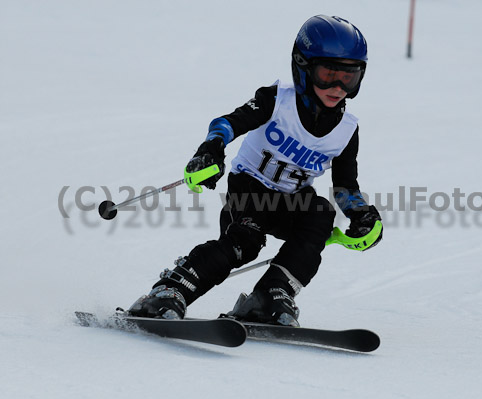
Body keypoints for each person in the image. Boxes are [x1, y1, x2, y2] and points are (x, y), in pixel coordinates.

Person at [127, 15, 383, 326]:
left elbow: (345, 185)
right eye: (328, 74)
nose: (338, 86)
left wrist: (361, 214)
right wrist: (210, 151)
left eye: (349, 76)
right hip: (250, 189)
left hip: (292, 201)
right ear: (303, 67)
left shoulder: (345, 129)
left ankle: (270, 295)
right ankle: (171, 290)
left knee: (320, 214)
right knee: (244, 243)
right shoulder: (276, 100)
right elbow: (226, 124)